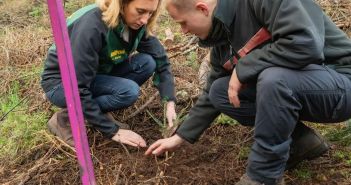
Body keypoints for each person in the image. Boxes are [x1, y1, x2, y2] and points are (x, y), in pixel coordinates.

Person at [145, 0, 351, 184]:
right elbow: (210, 93)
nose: (184, 31)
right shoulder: (223, 36)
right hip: (299, 87)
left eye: (183, 23)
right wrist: (180, 136)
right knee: (220, 90)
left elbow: (305, 42)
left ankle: (262, 177)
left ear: (202, 9)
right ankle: (301, 142)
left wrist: (243, 69)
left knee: (273, 79)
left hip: (340, 82)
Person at [41, 0, 176, 148]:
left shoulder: (135, 24)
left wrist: (170, 102)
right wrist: (113, 131)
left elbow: (160, 59)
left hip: (93, 75)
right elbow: (77, 87)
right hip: (61, 83)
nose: (145, 20)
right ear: (122, 4)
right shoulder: (92, 25)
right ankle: (65, 118)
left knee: (147, 63)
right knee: (128, 91)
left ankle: (94, 111)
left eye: (150, 13)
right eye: (140, 11)